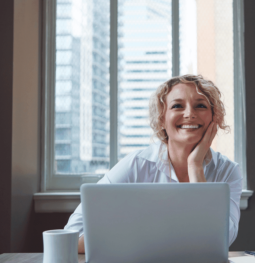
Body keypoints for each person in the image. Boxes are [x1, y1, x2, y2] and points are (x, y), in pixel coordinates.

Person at [64, 74, 243, 253]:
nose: (190, 114)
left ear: (214, 118)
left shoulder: (228, 171)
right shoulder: (136, 165)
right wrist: (134, 234)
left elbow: (223, 239)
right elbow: (71, 235)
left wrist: (195, 166)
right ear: (161, 119)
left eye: (201, 106)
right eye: (177, 106)